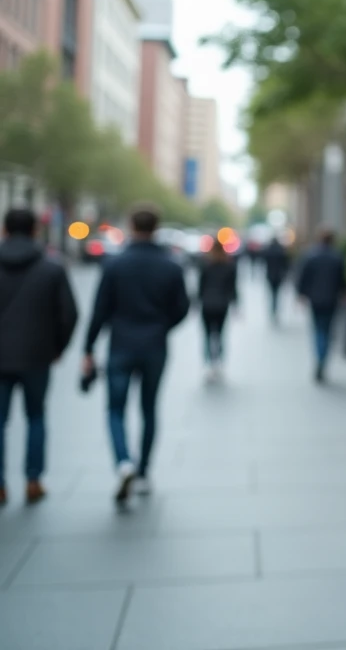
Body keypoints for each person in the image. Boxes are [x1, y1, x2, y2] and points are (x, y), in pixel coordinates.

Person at [83, 204, 190, 504]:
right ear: (156, 227)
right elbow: (182, 307)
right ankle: (143, 472)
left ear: (131, 225)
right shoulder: (171, 264)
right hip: (155, 346)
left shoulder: (115, 264)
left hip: (121, 346)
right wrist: (162, 326)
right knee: (149, 409)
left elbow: (100, 310)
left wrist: (88, 347)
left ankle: (123, 461)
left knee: (115, 409)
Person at [0, 208, 78, 506]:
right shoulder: (52, 268)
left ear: (5, 229)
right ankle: (33, 480)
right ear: (35, 230)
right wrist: (57, 347)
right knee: (36, 417)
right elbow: (69, 314)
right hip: (36, 356)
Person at [295, 228, 346, 383]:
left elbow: (303, 277)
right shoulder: (337, 257)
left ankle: (320, 357)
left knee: (318, 330)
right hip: (331, 299)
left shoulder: (311, 256)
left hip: (315, 300)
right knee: (327, 330)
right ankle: (323, 358)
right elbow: (342, 280)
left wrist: (301, 294)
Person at [196, 239, 239, 381]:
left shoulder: (205, 264)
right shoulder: (229, 265)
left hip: (207, 304)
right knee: (220, 334)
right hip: (222, 304)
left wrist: (197, 301)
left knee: (207, 335)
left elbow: (201, 285)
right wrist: (235, 304)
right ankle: (219, 362)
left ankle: (209, 363)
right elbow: (233, 287)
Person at [262, 236, 290, 324]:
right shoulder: (281, 250)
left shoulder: (268, 250)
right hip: (278, 275)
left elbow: (264, 260)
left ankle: (273, 309)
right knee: (276, 293)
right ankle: (275, 309)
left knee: (272, 293)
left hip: (270, 275)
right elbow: (285, 263)